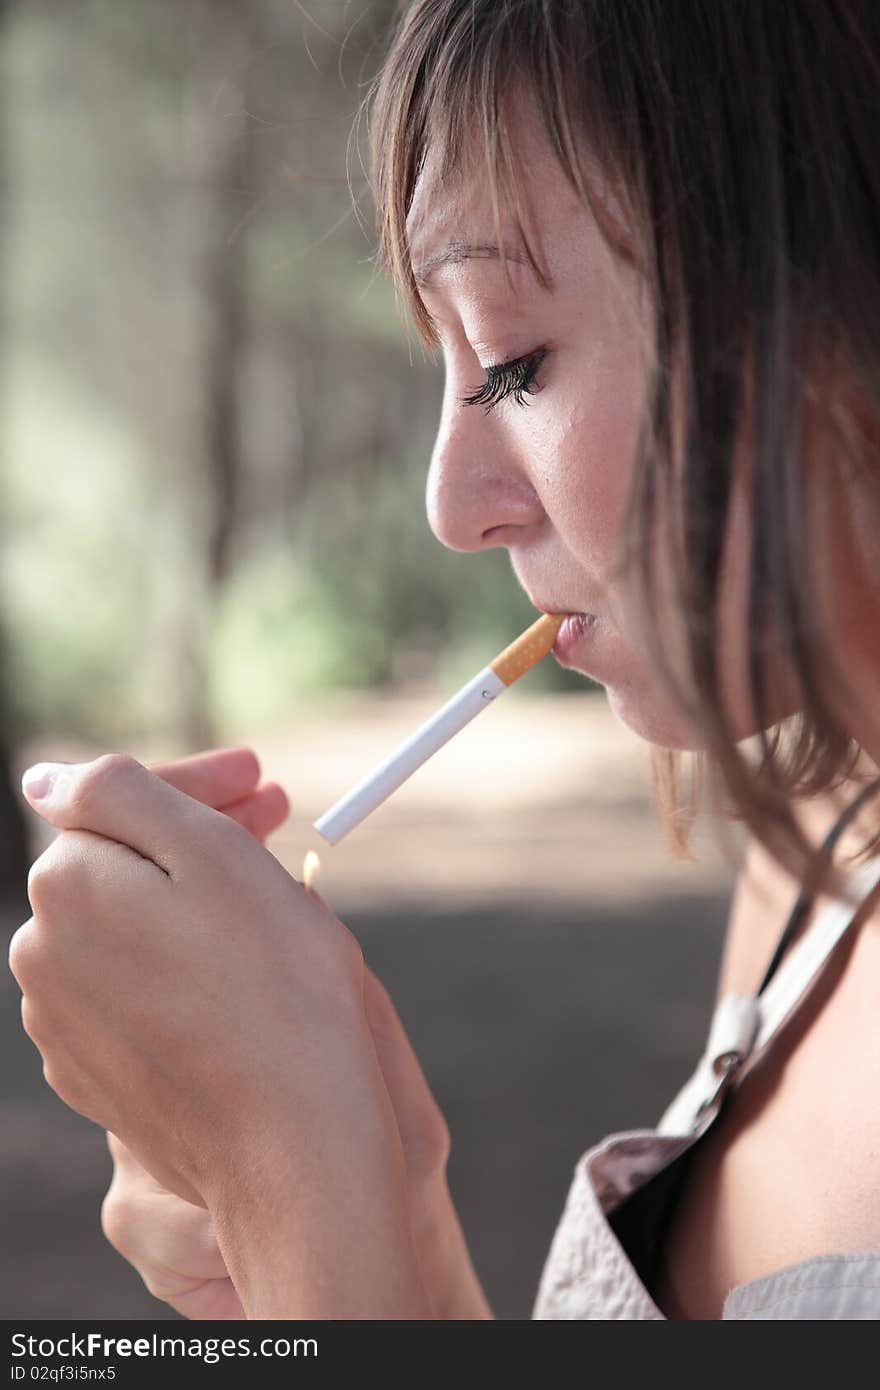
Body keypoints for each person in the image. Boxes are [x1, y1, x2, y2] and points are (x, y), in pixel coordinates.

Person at [9, 0, 880, 1319]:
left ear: (832, 297)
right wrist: (378, 1192)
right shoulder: (814, 851)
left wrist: (288, 1176)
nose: (451, 502)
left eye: (513, 360)